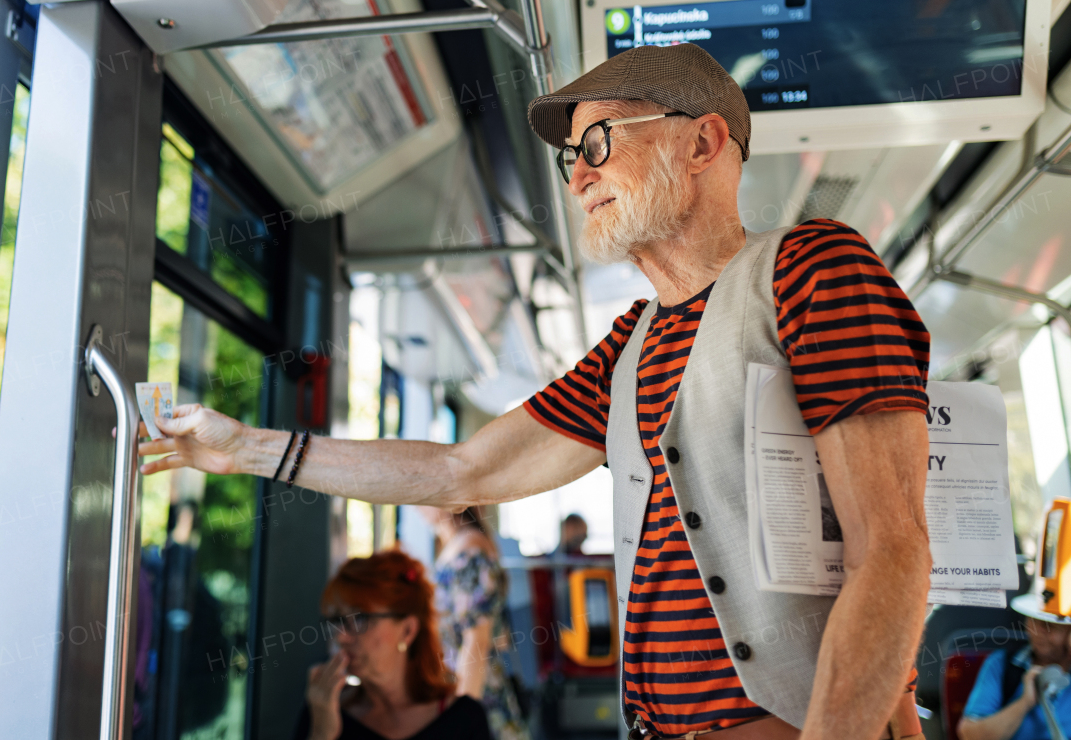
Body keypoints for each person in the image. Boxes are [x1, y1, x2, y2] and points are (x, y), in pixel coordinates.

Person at [143, 42, 933, 740]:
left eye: (599, 140)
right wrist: (244, 447)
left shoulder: (809, 270)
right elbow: (461, 470)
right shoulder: (633, 342)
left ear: (703, 140)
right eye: (570, 158)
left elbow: (892, 549)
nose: (580, 172)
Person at [294, 550, 491, 740]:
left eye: (360, 619)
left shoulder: (463, 721)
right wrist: (320, 735)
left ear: (407, 631)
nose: (341, 637)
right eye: (337, 621)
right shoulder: (325, 711)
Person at [417, 505, 530, 740]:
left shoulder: (469, 550)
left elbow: (476, 640)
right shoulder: (455, 546)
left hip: (475, 689)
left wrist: (462, 717)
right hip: (462, 687)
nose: (417, 506)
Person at [958, 593, 1071, 740]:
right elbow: (970, 734)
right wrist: (1025, 702)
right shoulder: (1001, 664)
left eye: (1052, 627)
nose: (1039, 632)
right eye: (1034, 621)